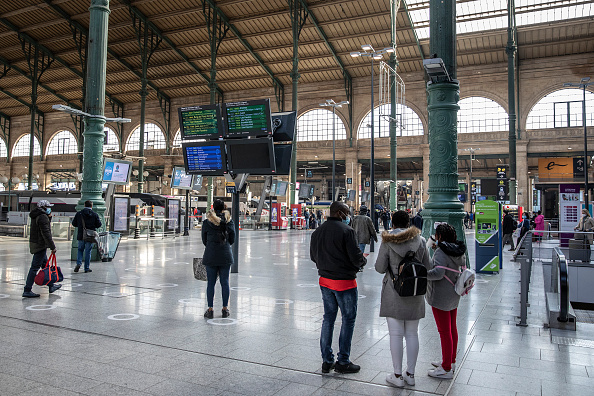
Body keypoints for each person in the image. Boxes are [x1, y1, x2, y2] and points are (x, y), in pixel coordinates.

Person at [375, 211, 431, 388]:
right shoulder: (421, 241)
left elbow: (379, 268)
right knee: (412, 333)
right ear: (409, 223)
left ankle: (397, 375)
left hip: (394, 292)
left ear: (392, 223)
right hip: (415, 291)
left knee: (396, 335)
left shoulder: (387, 241)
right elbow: (428, 267)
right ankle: (411, 374)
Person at [310, 201, 367, 374]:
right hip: (345, 282)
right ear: (341, 213)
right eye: (347, 213)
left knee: (328, 318)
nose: (349, 216)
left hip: (325, 281)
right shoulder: (347, 231)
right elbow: (356, 257)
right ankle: (343, 361)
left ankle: (327, 361)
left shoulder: (318, 231)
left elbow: (313, 256)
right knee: (348, 319)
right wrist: (362, 261)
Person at [426, 223, 467, 379]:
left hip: (441, 295)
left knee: (444, 331)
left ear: (440, 236)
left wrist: (424, 274)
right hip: (454, 293)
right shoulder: (458, 250)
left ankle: (446, 368)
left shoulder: (441, 251)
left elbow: (438, 273)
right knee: (452, 328)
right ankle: (451, 360)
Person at [202, 199, 236, 319]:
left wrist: (212, 246)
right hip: (225, 255)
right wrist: (225, 245)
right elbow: (232, 239)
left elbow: (204, 240)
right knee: (225, 282)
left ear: (213, 208)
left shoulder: (207, 222)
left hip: (211, 255)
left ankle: (210, 309)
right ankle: (225, 309)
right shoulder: (229, 222)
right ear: (223, 208)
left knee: (210, 283)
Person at [23, 200, 61, 298]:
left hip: (36, 243)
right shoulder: (42, 217)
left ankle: (51, 285)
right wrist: (52, 246)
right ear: (43, 207)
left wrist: (49, 218)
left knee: (46, 265)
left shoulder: (37, 215)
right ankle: (27, 290)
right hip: (40, 245)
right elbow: (46, 233)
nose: (50, 208)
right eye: (48, 207)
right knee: (34, 268)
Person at [71, 200, 102, 273]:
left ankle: (78, 263)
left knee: (80, 250)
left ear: (84, 205)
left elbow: (74, 223)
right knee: (88, 252)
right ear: (91, 206)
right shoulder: (94, 214)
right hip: (90, 236)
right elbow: (99, 225)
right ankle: (86, 268)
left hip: (81, 235)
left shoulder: (79, 214)